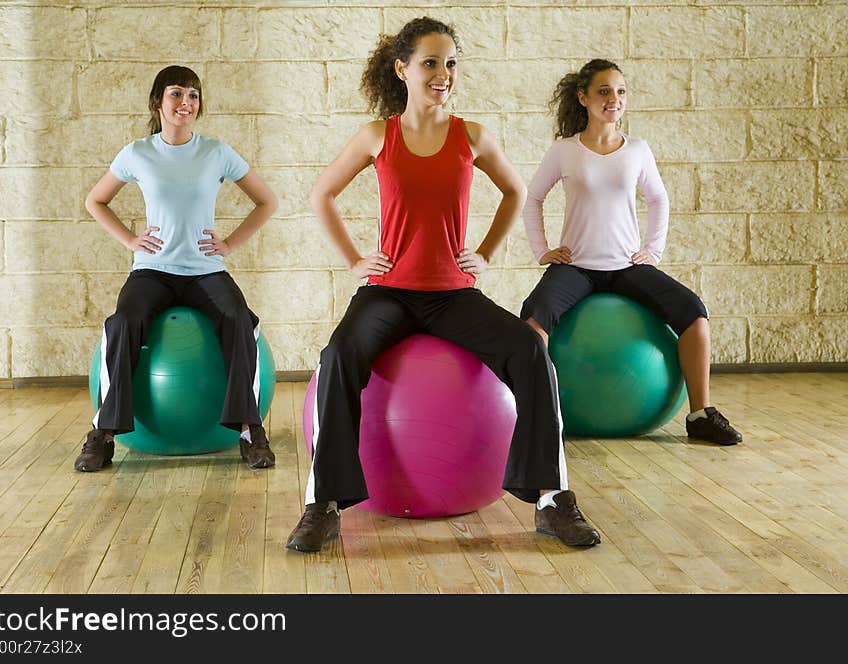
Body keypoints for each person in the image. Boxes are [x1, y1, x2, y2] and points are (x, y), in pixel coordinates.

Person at [287, 17, 600, 553]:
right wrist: (355, 260)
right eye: (430, 62)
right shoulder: (377, 136)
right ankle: (322, 506)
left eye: (450, 63)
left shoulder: (470, 136)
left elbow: (515, 192)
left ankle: (553, 500)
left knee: (530, 349)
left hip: (453, 294)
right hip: (389, 293)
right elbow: (322, 194)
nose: (442, 74)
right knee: (338, 355)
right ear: (401, 69)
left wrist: (486, 252)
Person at [521, 59, 742, 445]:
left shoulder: (637, 150)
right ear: (583, 97)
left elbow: (659, 199)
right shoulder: (565, 151)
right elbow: (532, 199)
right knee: (533, 323)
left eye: (620, 92)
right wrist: (543, 251)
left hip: (625, 266)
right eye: (604, 91)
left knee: (695, 313)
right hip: (576, 268)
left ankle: (701, 414)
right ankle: (539, 419)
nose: (614, 99)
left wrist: (651, 251)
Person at [75, 65, 279, 472]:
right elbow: (95, 201)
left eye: (193, 96)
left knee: (240, 320)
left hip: (205, 269)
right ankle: (104, 433)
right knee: (122, 322)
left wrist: (229, 243)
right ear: (158, 101)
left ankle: (249, 430)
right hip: (152, 270)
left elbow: (266, 201)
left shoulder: (216, 151)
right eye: (176, 94)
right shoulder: (137, 152)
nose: (186, 103)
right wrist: (131, 240)